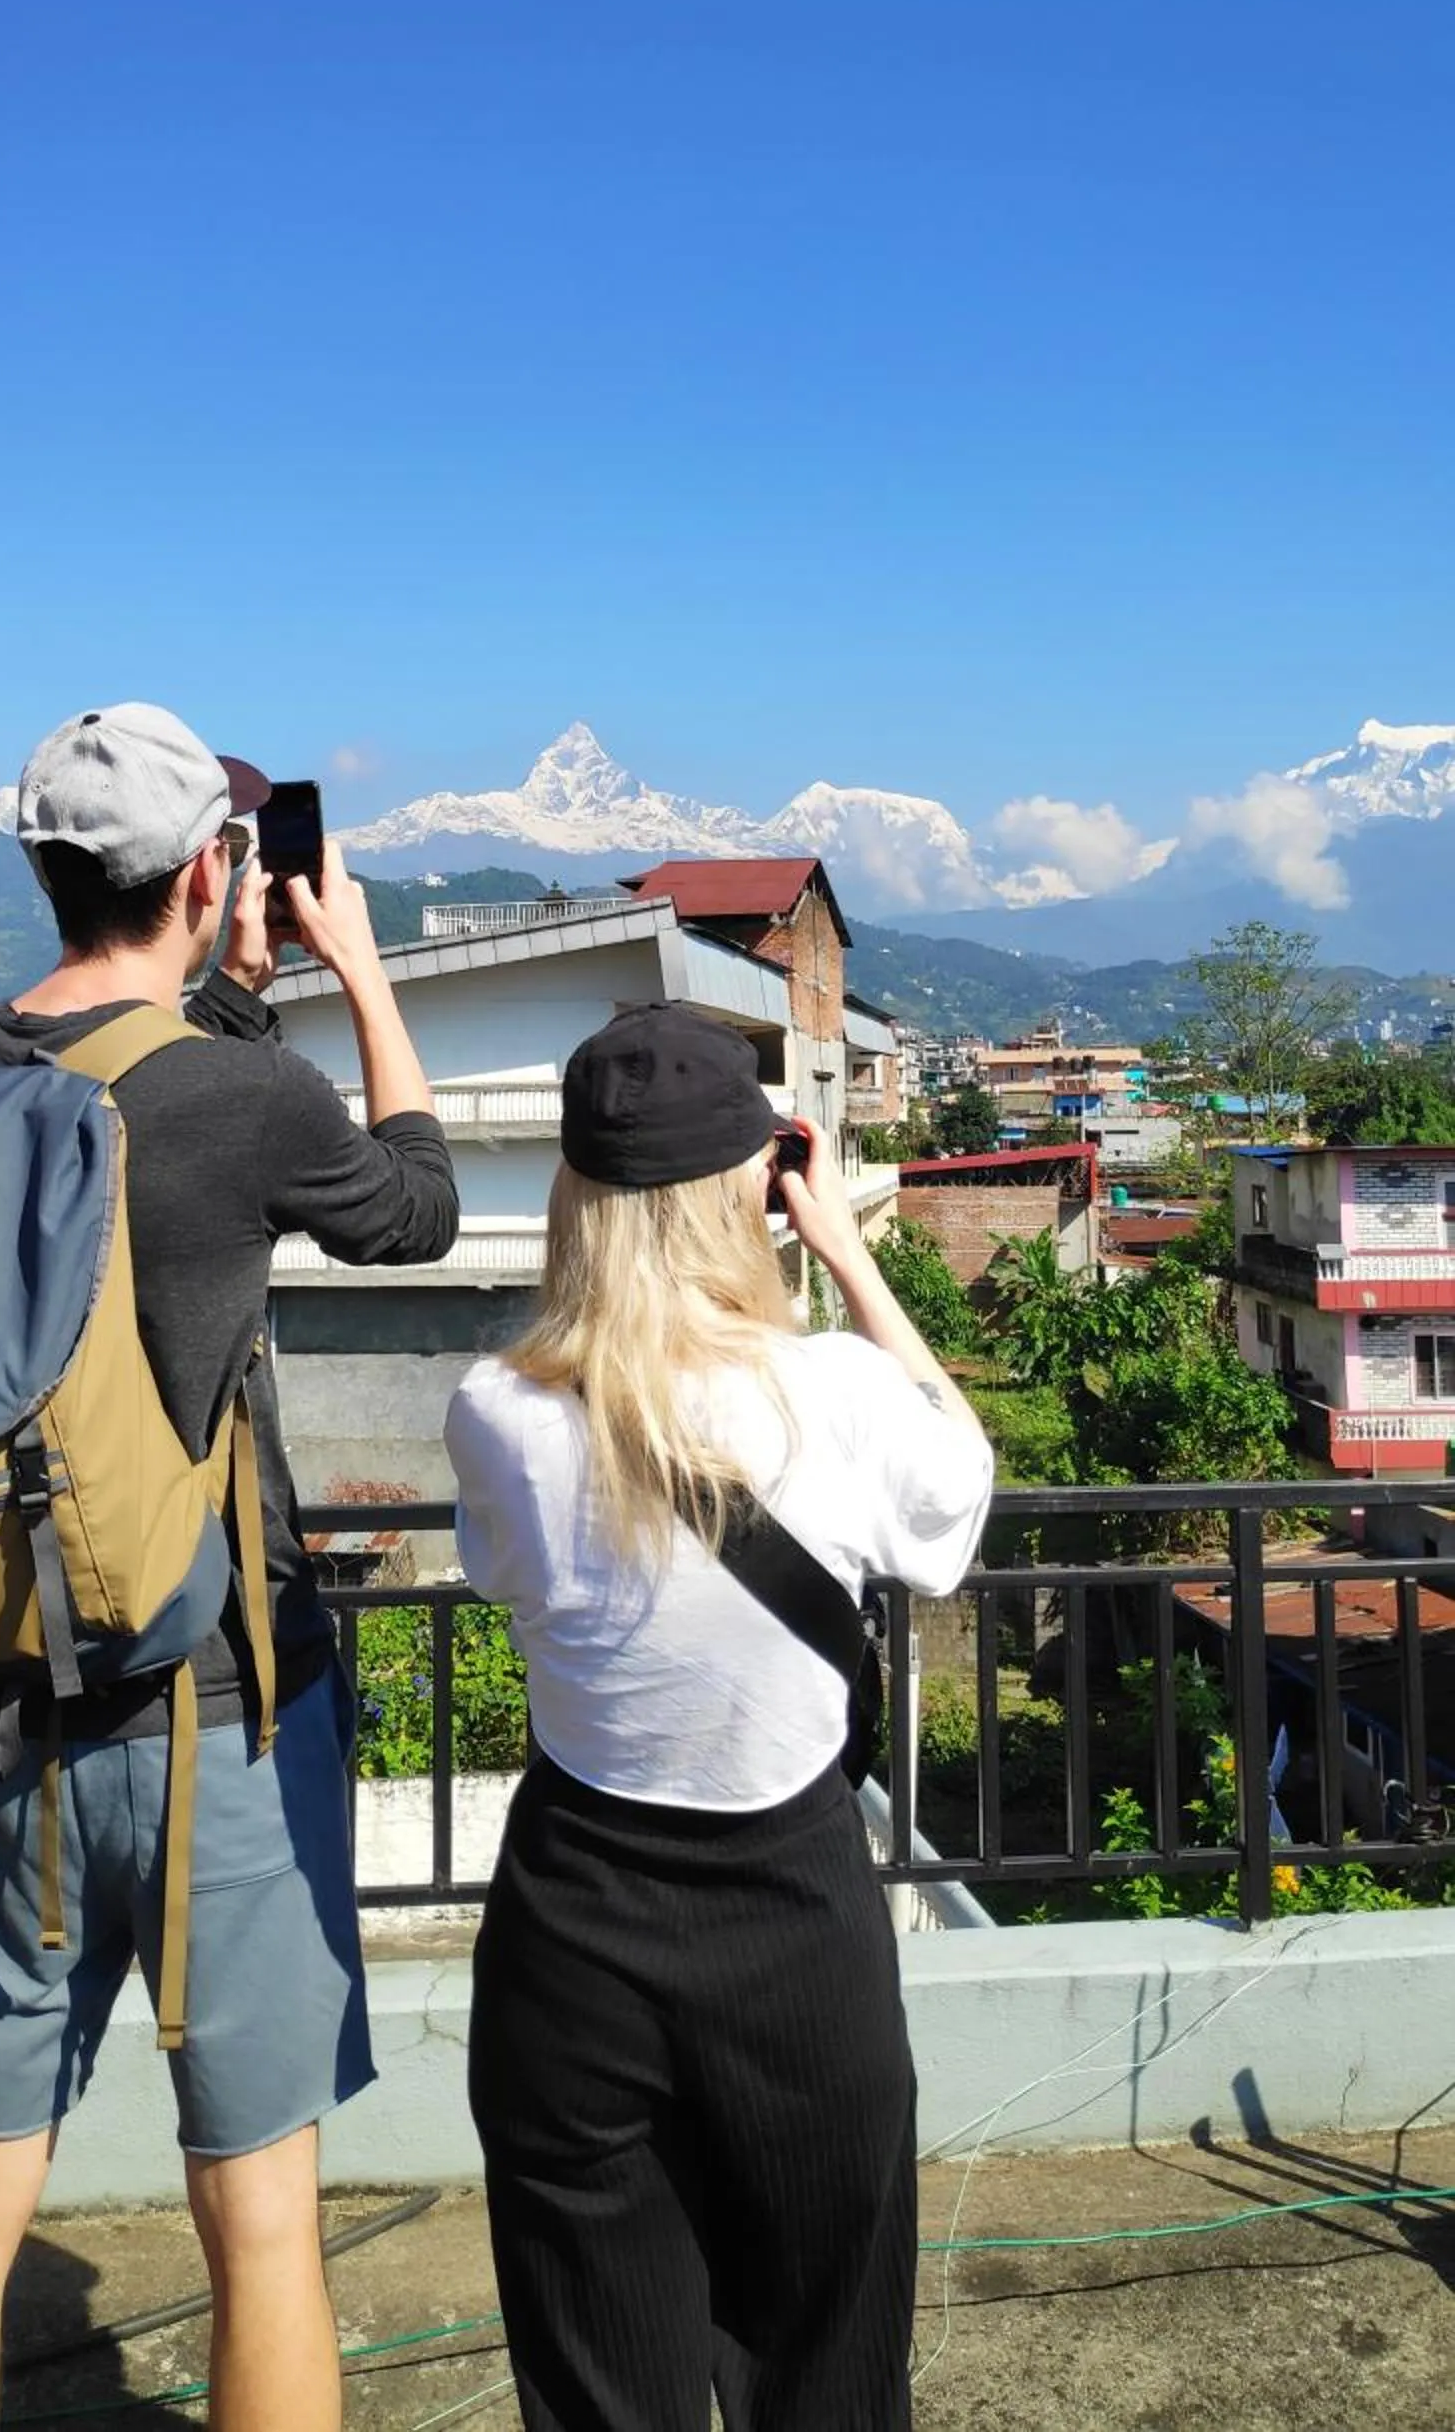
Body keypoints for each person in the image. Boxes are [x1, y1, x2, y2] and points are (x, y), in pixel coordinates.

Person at [0, 703, 459, 2432]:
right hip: (219, 1720)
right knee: (258, 2221)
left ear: (47, 868)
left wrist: (231, 981)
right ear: (215, 868)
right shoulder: (240, 1093)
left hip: (1, 1704)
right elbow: (410, 1203)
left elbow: (131, 1107)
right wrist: (359, 974)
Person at [445, 1005, 994, 2432]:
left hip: (569, 1926)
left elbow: (506, 1573)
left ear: (578, 1195)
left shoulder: (495, 1407)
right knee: (825, 2362)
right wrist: (849, 1255)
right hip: (793, 1930)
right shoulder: (841, 1397)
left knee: (594, 2377)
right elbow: (955, 1502)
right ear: (749, 1189)